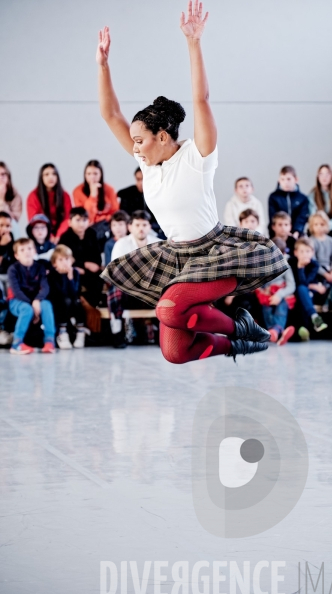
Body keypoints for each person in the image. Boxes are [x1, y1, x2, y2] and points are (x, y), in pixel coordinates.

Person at [98, 3, 287, 364]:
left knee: (169, 311)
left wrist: (193, 43)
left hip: (218, 253)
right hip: (178, 258)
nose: (134, 146)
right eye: (134, 140)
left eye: (141, 139)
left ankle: (238, 325)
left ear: (164, 136)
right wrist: (103, 65)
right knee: (174, 352)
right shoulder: (148, 163)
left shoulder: (198, 156)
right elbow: (110, 114)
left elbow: (201, 99)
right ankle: (237, 342)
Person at [108, 210, 161, 348]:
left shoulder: (159, 244)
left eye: (144, 225)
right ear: (130, 227)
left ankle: (163, 332)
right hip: (129, 292)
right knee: (116, 286)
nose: (141, 228)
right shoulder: (121, 244)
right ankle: (117, 332)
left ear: (149, 227)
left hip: (151, 290)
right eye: (137, 225)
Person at [7, 238, 56, 354]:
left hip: (35, 300)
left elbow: (45, 287)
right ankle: (16, 343)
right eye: (22, 250)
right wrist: (32, 304)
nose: (27, 252)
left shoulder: (40, 267)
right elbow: (16, 291)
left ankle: (50, 341)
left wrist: (37, 300)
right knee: (26, 309)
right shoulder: (13, 269)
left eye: (29, 248)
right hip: (17, 301)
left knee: (46, 305)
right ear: (16, 255)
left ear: (34, 251)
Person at [59, 207, 103, 309]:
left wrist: (95, 266)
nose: (81, 224)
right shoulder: (65, 237)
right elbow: (63, 258)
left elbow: (97, 256)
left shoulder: (92, 234)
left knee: (100, 278)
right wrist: (83, 265)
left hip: (91, 270)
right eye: (77, 220)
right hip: (73, 269)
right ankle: (78, 305)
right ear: (70, 222)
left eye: (84, 220)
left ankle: (90, 305)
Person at [254, 237, 296, 346]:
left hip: (281, 294)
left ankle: (274, 332)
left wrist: (279, 294)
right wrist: (264, 290)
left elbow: (292, 286)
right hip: (267, 294)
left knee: (282, 306)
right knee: (266, 307)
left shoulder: (286, 267)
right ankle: (277, 332)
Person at [48, 245, 87, 350]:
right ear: (54, 263)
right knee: (66, 300)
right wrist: (66, 279)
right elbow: (61, 293)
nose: (64, 262)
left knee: (77, 301)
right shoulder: (52, 274)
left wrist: (70, 278)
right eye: (60, 260)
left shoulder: (75, 272)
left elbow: (75, 293)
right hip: (58, 303)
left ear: (71, 260)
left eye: (67, 259)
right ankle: (62, 332)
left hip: (72, 302)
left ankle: (81, 331)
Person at [289, 237, 328, 340]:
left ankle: (304, 328)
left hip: (309, 291)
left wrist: (301, 268)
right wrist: (300, 266)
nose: (305, 254)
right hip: (295, 290)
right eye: (301, 251)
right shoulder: (291, 262)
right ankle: (314, 319)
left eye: (308, 251)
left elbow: (305, 282)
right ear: (296, 252)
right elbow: (295, 282)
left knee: (303, 291)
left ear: (312, 252)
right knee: (302, 291)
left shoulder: (314, 264)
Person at [27, 163, 72, 242]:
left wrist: (58, 235)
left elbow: (67, 218)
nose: (51, 177)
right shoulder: (33, 195)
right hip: (41, 232)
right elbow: (34, 219)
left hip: (62, 233)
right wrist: (49, 236)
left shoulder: (65, 195)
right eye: (46, 174)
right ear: (41, 177)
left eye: (54, 174)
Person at [308, 164, 332, 256]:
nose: (324, 177)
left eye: (327, 174)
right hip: (318, 227)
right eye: (321, 174)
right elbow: (314, 218)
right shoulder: (312, 195)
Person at [73, 159, 119, 229]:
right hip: (86, 226)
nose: (92, 177)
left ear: (101, 174)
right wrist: (92, 195)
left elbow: (115, 212)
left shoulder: (110, 189)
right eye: (89, 174)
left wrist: (102, 219)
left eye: (95, 174)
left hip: (107, 225)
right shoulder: (78, 191)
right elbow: (85, 216)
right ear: (85, 175)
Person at [118, 167, 163, 237]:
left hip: (153, 229)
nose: (141, 183)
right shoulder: (126, 194)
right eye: (138, 179)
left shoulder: (157, 192)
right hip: (133, 230)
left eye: (143, 179)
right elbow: (125, 217)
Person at [268, 166, 309, 238]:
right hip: (277, 234)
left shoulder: (302, 198)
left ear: (296, 179)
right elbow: (273, 217)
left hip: (296, 234)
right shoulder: (273, 197)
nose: (285, 182)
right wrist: (281, 231)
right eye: (282, 179)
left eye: (288, 179)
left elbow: (301, 217)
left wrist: (296, 232)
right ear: (279, 181)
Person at [308, 212, 332, 286]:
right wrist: (326, 275)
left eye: (322, 224)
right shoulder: (310, 241)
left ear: (326, 225)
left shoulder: (331, 240)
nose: (319, 227)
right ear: (312, 226)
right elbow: (313, 262)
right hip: (317, 271)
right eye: (316, 224)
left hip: (329, 270)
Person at [0, 162, 23, 235]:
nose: (0, 177)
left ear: (8, 177)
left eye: (3, 174)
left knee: (13, 225)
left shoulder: (15, 195)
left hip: (9, 231)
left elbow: (13, 220)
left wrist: (2, 200)